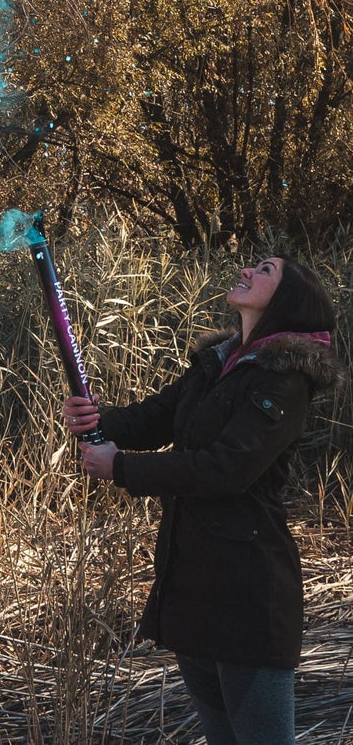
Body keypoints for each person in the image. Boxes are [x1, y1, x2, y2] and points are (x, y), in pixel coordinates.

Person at [63, 253, 344, 745]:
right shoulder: (219, 363)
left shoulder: (283, 379)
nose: (247, 271)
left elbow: (228, 468)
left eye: (265, 271)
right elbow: (158, 417)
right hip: (194, 584)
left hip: (248, 592)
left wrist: (122, 467)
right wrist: (98, 422)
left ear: (289, 299)